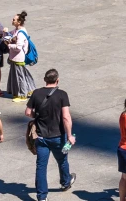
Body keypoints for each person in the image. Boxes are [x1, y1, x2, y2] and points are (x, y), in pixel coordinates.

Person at [25, 68, 75, 199]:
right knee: (62, 160)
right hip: (58, 137)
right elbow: (66, 117)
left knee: (41, 167)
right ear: (57, 80)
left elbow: (28, 112)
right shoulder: (62, 94)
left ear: (45, 80)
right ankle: (65, 182)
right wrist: (70, 135)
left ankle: (42, 196)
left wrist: (38, 115)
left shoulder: (36, 93)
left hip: (41, 137)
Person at [5, 12, 36, 100]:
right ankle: (29, 89)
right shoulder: (16, 30)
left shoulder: (21, 33)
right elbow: (9, 35)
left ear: (19, 22)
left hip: (19, 58)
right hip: (14, 58)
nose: (12, 20)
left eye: (14, 19)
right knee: (21, 75)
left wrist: (9, 45)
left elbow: (18, 47)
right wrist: (5, 33)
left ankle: (22, 95)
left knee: (20, 77)